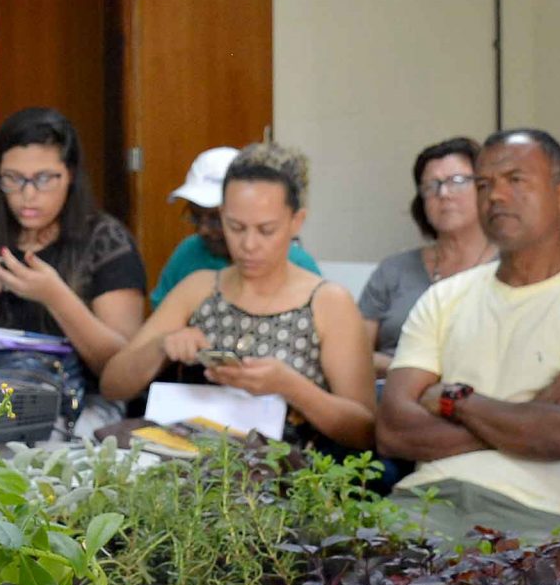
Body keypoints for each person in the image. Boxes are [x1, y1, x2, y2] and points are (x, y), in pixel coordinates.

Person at [377, 130, 560, 541]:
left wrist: (455, 399)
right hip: (423, 501)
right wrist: (533, 408)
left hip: (537, 516)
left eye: (516, 180)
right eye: (484, 185)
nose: (495, 196)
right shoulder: (443, 299)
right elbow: (394, 432)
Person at [103, 143, 374, 455]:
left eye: (266, 230)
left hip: (288, 483)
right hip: (187, 470)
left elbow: (365, 432)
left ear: (296, 222)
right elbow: (113, 385)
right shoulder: (199, 288)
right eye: (235, 227)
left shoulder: (327, 302)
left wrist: (291, 387)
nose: (249, 244)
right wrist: (162, 345)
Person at [0, 105, 146, 376]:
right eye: (13, 179)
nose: (28, 194)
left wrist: (55, 297)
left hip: (76, 401)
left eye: (44, 179)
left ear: (70, 175)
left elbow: (124, 370)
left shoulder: (106, 241)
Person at [359, 136, 493, 373]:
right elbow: (353, 355)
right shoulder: (393, 271)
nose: (444, 193)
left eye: (458, 181)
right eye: (431, 185)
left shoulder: (509, 268)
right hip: (390, 398)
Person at [147, 144, 322, 303]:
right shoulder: (188, 253)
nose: (204, 230)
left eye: (216, 219)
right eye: (196, 217)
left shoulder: (296, 264)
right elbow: (156, 325)